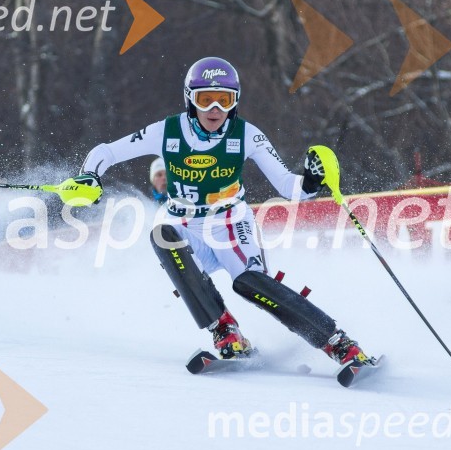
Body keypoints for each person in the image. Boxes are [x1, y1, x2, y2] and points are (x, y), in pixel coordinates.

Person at [74, 57, 373, 367]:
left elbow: (290, 187)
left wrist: (312, 181)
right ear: (190, 99)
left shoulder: (247, 135)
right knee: (162, 236)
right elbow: (105, 152)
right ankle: (225, 330)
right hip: (187, 227)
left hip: (231, 225)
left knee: (250, 283)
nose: (215, 108)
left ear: (235, 101)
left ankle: (338, 343)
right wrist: (89, 175)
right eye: (206, 99)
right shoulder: (166, 131)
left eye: (224, 99)